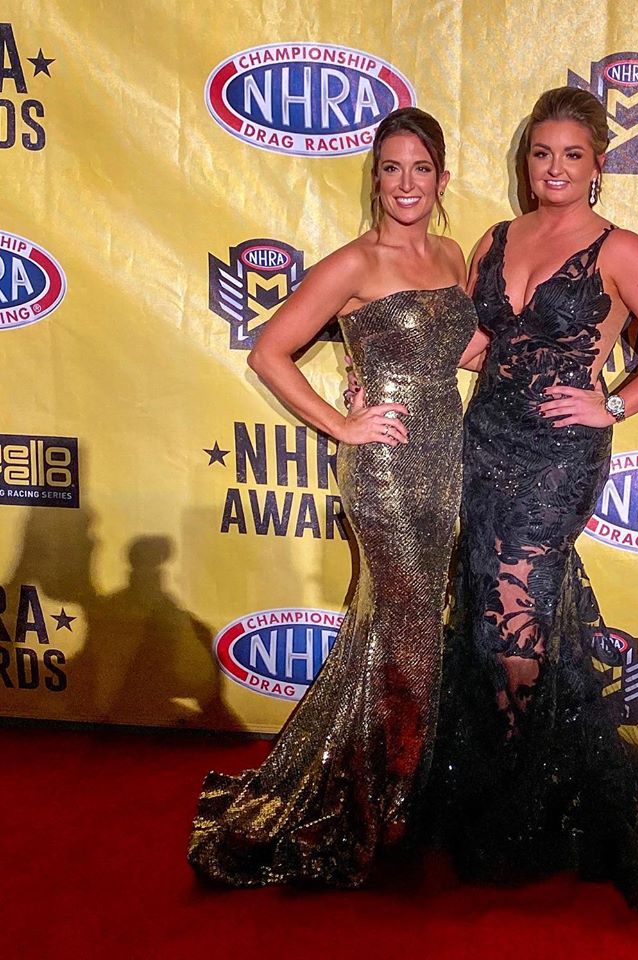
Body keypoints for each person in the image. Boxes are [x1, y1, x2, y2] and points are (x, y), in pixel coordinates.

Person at [429, 87, 638, 910]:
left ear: (598, 165)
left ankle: (528, 800)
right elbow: (481, 342)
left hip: (557, 453)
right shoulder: (496, 238)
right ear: (527, 161)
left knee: (519, 606)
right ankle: (533, 769)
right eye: (540, 153)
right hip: (484, 438)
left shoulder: (621, 251)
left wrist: (610, 403)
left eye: (571, 155)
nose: (553, 168)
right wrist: (398, 340)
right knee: (488, 604)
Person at [188, 107, 477, 888]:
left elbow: (463, 346)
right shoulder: (354, 263)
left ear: (441, 179)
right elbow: (270, 349)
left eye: (421, 168)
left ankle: (393, 782)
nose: (406, 183)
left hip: (447, 460)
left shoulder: (452, 254)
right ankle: (380, 798)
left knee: (407, 626)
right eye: (391, 168)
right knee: (408, 622)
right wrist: (343, 425)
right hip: (384, 473)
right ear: (375, 178)